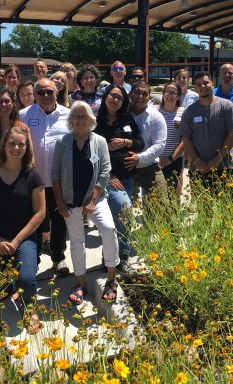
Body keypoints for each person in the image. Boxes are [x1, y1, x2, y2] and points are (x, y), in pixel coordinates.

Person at [0, 127, 45, 332]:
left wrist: (17, 241)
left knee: (27, 278)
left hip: (23, 236)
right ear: (4, 145)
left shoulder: (32, 174)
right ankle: (10, 289)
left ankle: (29, 308)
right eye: (12, 143)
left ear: (27, 147)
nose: (16, 148)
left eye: (21, 144)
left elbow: (40, 213)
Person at [52, 101, 119, 304]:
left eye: (84, 116)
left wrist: (92, 201)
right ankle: (80, 283)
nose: (80, 120)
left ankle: (111, 279)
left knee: (108, 230)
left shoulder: (99, 141)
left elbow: (105, 172)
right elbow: (55, 174)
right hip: (70, 202)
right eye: (76, 116)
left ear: (91, 119)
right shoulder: (62, 142)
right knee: (76, 242)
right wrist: (60, 203)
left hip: (95, 200)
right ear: (71, 120)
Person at [19, 79, 70, 276]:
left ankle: (58, 258)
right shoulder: (24, 115)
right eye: (40, 92)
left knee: (59, 221)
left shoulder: (68, 115)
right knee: (35, 222)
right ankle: (35, 259)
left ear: (56, 92)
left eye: (49, 91)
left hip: (60, 181)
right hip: (33, 181)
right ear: (34, 94)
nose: (45, 95)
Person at [95, 85, 144, 275]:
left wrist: (126, 142)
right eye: (112, 96)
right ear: (105, 97)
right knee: (124, 212)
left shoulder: (127, 119)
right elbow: (91, 154)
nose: (115, 100)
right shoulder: (96, 122)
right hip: (107, 179)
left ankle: (109, 258)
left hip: (127, 179)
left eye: (120, 98)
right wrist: (108, 175)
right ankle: (120, 257)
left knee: (117, 221)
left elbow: (140, 143)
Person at [180, 71, 233, 187]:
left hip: (225, 166)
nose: (202, 86)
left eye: (205, 83)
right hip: (199, 169)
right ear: (195, 88)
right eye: (198, 84)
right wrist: (197, 161)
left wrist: (217, 160)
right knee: (202, 205)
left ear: (213, 84)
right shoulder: (189, 111)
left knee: (228, 203)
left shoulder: (227, 105)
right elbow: (186, 138)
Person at [125, 80, 167, 199]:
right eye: (137, 92)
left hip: (149, 166)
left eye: (145, 94)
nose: (140, 96)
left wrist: (139, 158)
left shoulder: (156, 117)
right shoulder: (120, 114)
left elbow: (159, 145)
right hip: (124, 167)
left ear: (149, 97)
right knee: (122, 209)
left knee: (162, 208)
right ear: (130, 94)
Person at [156, 81, 186, 189]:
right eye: (168, 91)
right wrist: (156, 158)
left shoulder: (184, 112)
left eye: (174, 92)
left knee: (171, 194)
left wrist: (171, 158)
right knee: (153, 195)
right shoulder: (154, 111)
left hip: (174, 160)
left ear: (178, 96)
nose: (170, 95)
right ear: (163, 94)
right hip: (155, 160)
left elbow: (185, 140)